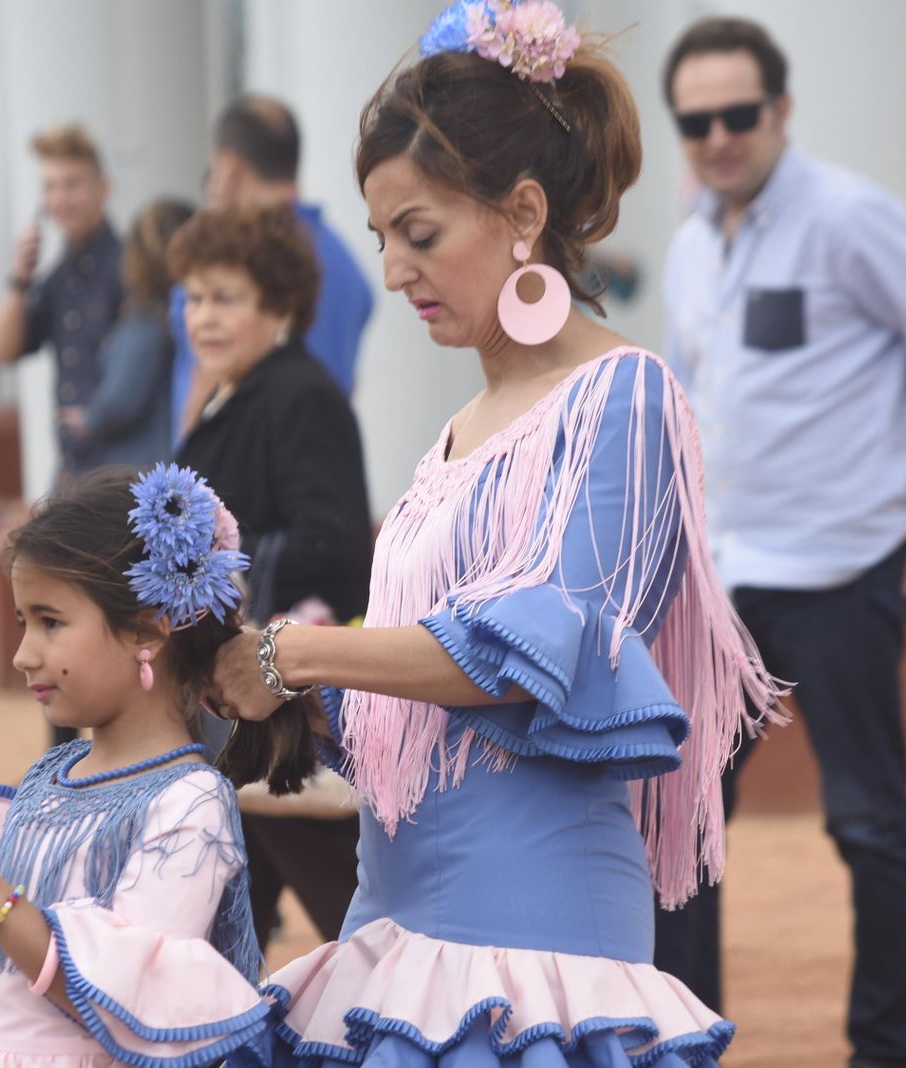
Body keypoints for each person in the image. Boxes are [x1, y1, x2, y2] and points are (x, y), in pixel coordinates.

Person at [210, 5, 783, 1068]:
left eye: (419, 233)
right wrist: (249, 681)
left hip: (537, 958)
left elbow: (527, 659)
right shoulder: (457, 433)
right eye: (382, 239)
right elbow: (417, 708)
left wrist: (292, 654)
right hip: (397, 939)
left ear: (523, 212)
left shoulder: (624, 397)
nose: (394, 269)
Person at [655, 17, 906, 1068]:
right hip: (723, 582)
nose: (719, 137)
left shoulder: (851, 220)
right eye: (696, 121)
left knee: (866, 820)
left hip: (844, 572)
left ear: (781, 110)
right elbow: (690, 408)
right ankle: (687, 1041)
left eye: (738, 114)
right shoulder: (688, 248)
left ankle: (887, 1049)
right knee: (684, 818)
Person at [0, 464, 323, 1067]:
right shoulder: (45, 781)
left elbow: (134, 1001)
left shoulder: (189, 800)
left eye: (50, 622)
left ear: (148, 633)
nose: (22, 655)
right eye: (22, 623)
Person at [171, 204, 374, 952]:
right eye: (194, 298)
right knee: (212, 930)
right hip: (238, 711)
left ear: (281, 307)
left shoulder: (300, 395)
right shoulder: (234, 392)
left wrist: (210, 570)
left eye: (226, 298)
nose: (203, 316)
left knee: (368, 930)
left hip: (292, 719)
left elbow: (334, 547)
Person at [170, 95, 374, 440]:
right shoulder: (347, 266)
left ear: (230, 167)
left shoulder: (224, 260)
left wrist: (189, 460)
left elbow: (203, 380)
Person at [0, 123, 124, 482]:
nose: (60, 199)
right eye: (50, 187)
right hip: (71, 468)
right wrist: (21, 277)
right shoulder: (57, 278)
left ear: (103, 189)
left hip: (121, 470)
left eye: (72, 184)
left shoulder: (128, 268)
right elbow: (3, 351)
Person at [57, 197, 194, 474]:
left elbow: (120, 399)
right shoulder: (185, 314)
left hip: (143, 465)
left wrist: (88, 420)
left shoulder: (146, 322)